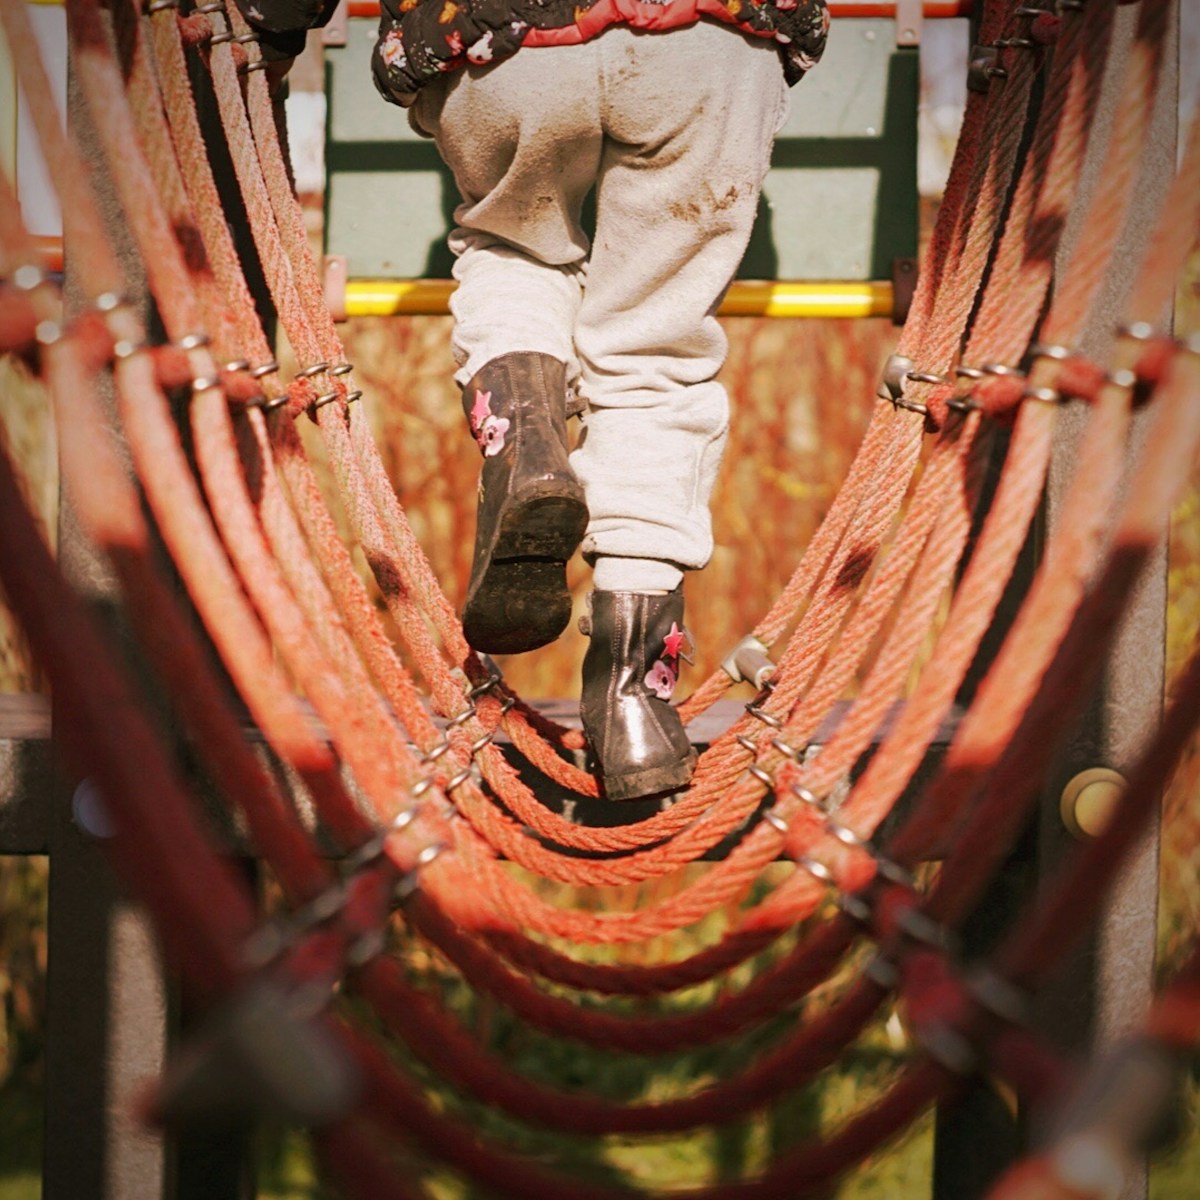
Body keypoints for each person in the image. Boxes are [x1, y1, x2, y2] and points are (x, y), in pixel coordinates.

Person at [233, 0, 829, 801]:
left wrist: (270, 24)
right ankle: (633, 704)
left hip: (498, 36)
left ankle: (527, 444)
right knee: (654, 348)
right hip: (712, 39)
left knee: (515, 249)